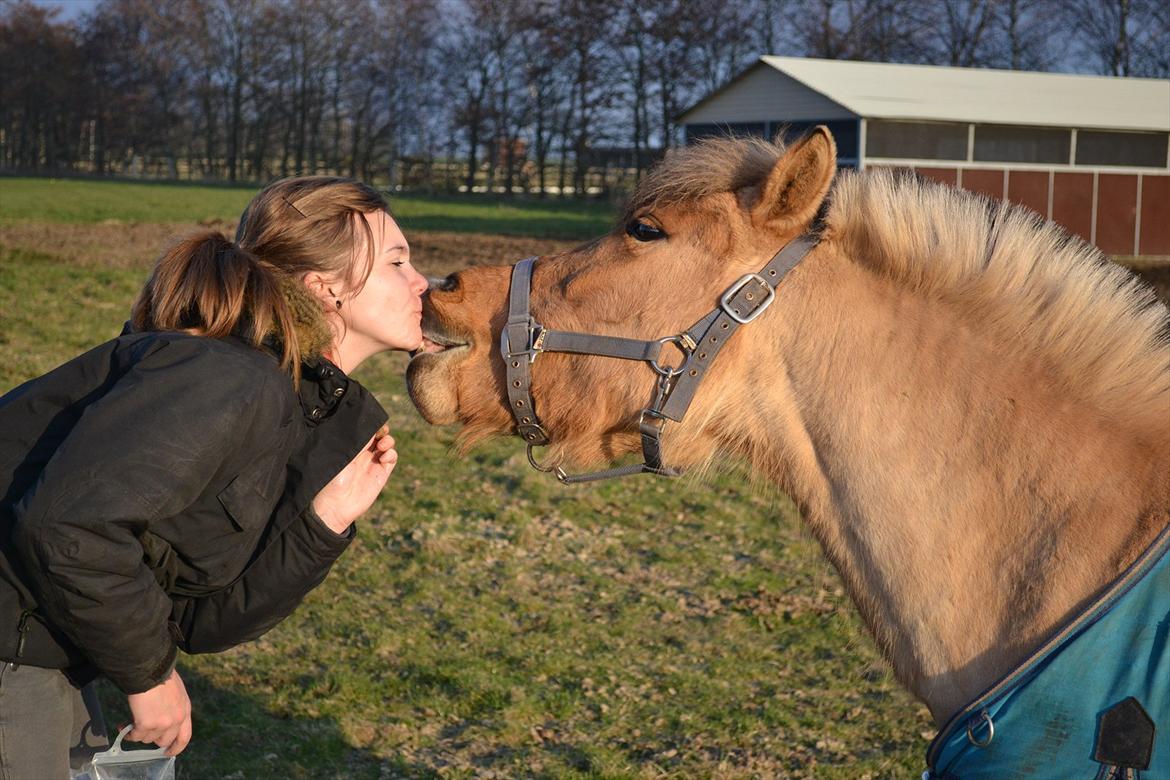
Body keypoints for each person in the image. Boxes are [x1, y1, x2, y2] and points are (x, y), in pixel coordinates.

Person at [0, 176, 427, 778]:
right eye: (398, 261)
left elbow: (196, 621)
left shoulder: (287, 402)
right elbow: (68, 527)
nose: (421, 282)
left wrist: (326, 522)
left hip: (46, 652)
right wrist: (151, 679)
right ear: (325, 288)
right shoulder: (227, 376)